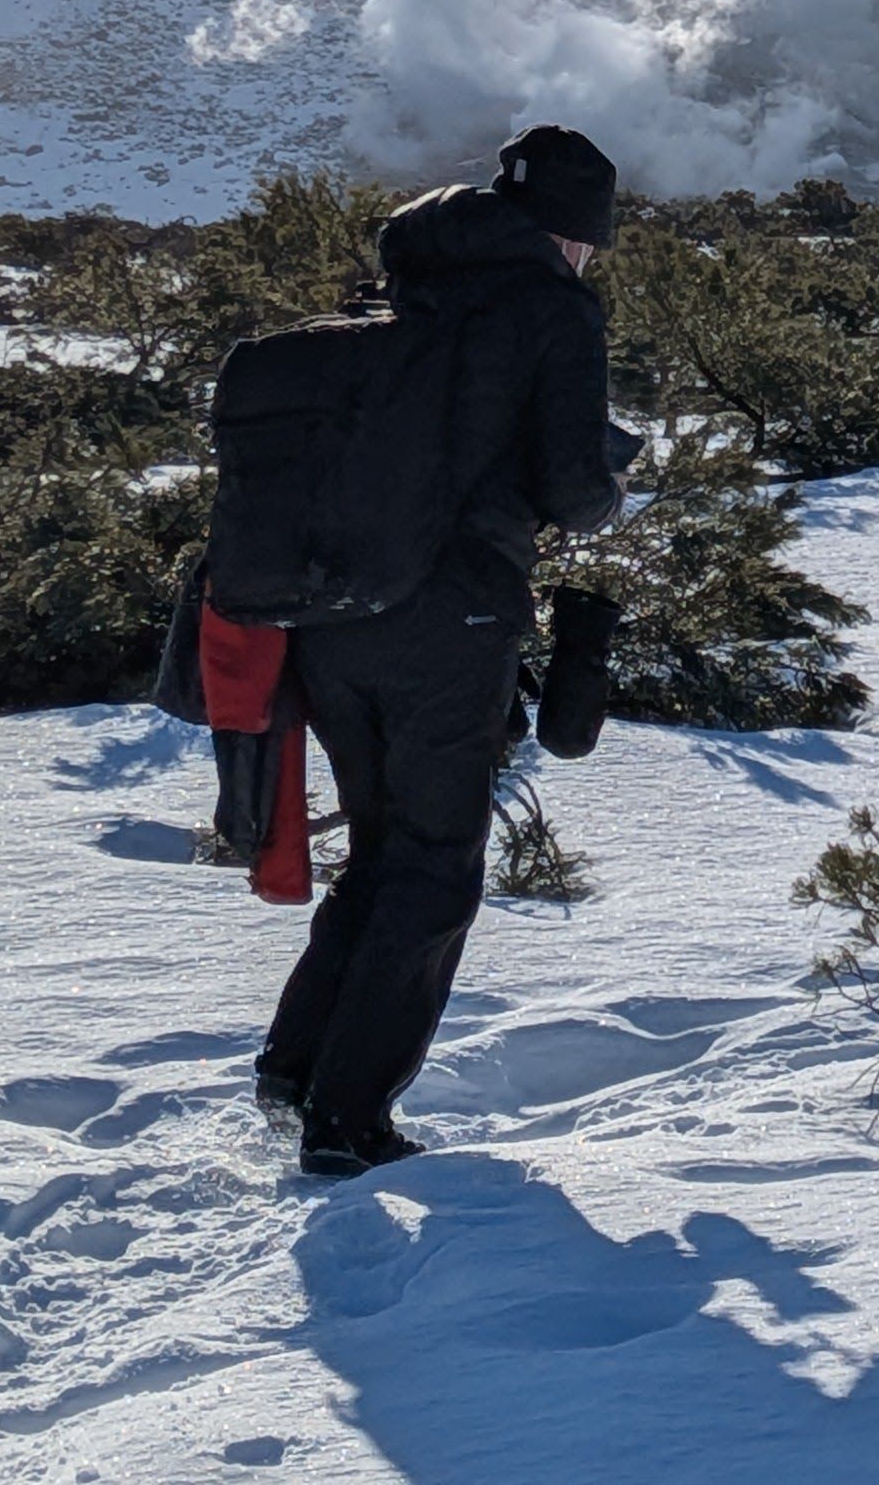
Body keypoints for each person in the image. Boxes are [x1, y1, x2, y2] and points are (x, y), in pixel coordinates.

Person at [257, 123, 634, 1178]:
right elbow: (568, 488)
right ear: (570, 234)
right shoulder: (551, 309)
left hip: (333, 619)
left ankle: (295, 1072)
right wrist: (606, 492)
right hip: (451, 619)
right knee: (434, 873)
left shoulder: (399, 291)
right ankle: (348, 1120)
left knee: (383, 850)